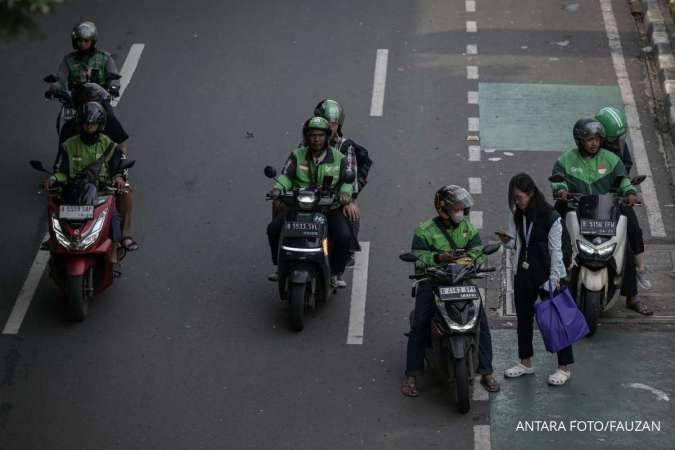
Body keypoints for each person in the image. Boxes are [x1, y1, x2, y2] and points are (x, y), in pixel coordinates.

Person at [400, 185, 500, 397]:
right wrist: (438, 258)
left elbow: (478, 253)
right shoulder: (424, 231)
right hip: (433, 283)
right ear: (443, 208)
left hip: (462, 282)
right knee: (420, 324)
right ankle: (412, 376)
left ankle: (487, 371)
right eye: (456, 207)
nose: (461, 211)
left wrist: (469, 260)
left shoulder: (467, 229)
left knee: (481, 322)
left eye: (463, 208)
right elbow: (418, 257)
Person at [551, 118, 652, 315]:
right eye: (589, 139)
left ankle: (632, 297)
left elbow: (623, 181)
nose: (594, 143)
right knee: (557, 246)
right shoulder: (565, 161)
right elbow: (557, 182)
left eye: (597, 139)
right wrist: (561, 190)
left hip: (606, 213)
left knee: (626, 250)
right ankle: (556, 289)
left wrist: (630, 192)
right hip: (575, 212)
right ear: (579, 140)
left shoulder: (611, 160)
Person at [499, 173, 573, 386]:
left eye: (519, 197)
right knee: (523, 318)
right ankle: (525, 362)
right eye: (514, 197)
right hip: (523, 272)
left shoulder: (551, 216)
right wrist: (507, 241)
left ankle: (563, 368)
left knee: (557, 320)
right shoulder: (516, 213)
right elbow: (516, 243)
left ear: (531, 193)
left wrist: (555, 277)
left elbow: (556, 249)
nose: (516, 201)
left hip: (546, 274)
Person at [267, 116, 354, 288]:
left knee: (344, 235)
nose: (316, 139)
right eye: (312, 135)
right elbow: (286, 176)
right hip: (299, 206)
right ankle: (279, 265)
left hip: (328, 207)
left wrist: (344, 194)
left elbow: (347, 181)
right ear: (307, 137)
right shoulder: (297, 155)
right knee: (273, 228)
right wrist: (277, 189)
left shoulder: (339, 158)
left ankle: (336, 273)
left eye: (320, 135)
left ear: (327, 137)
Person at [47, 102, 138, 262]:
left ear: (100, 124)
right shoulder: (68, 145)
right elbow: (60, 171)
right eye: (86, 124)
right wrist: (53, 179)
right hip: (74, 192)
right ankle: (54, 239)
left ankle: (120, 240)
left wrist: (118, 178)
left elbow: (117, 166)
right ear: (80, 124)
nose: (89, 127)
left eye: (93, 124)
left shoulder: (108, 144)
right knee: (52, 203)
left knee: (120, 205)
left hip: (102, 192)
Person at [311, 99, 373, 267]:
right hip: (309, 195)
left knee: (351, 214)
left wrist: (349, 199)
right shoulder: (308, 142)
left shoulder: (345, 147)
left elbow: (351, 176)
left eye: (334, 123)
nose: (331, 126)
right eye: (327, 122)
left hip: (336, 197)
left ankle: (346, 255)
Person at [595, 106, 651, 290]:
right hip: (591, 199)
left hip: (615, 197)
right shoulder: (588, 147)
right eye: (611, 138)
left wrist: (625, 189)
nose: (616, 142)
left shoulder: (619, 145)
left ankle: (640, 271)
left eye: (618, 138)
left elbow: (626, 165)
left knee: (633, 230)